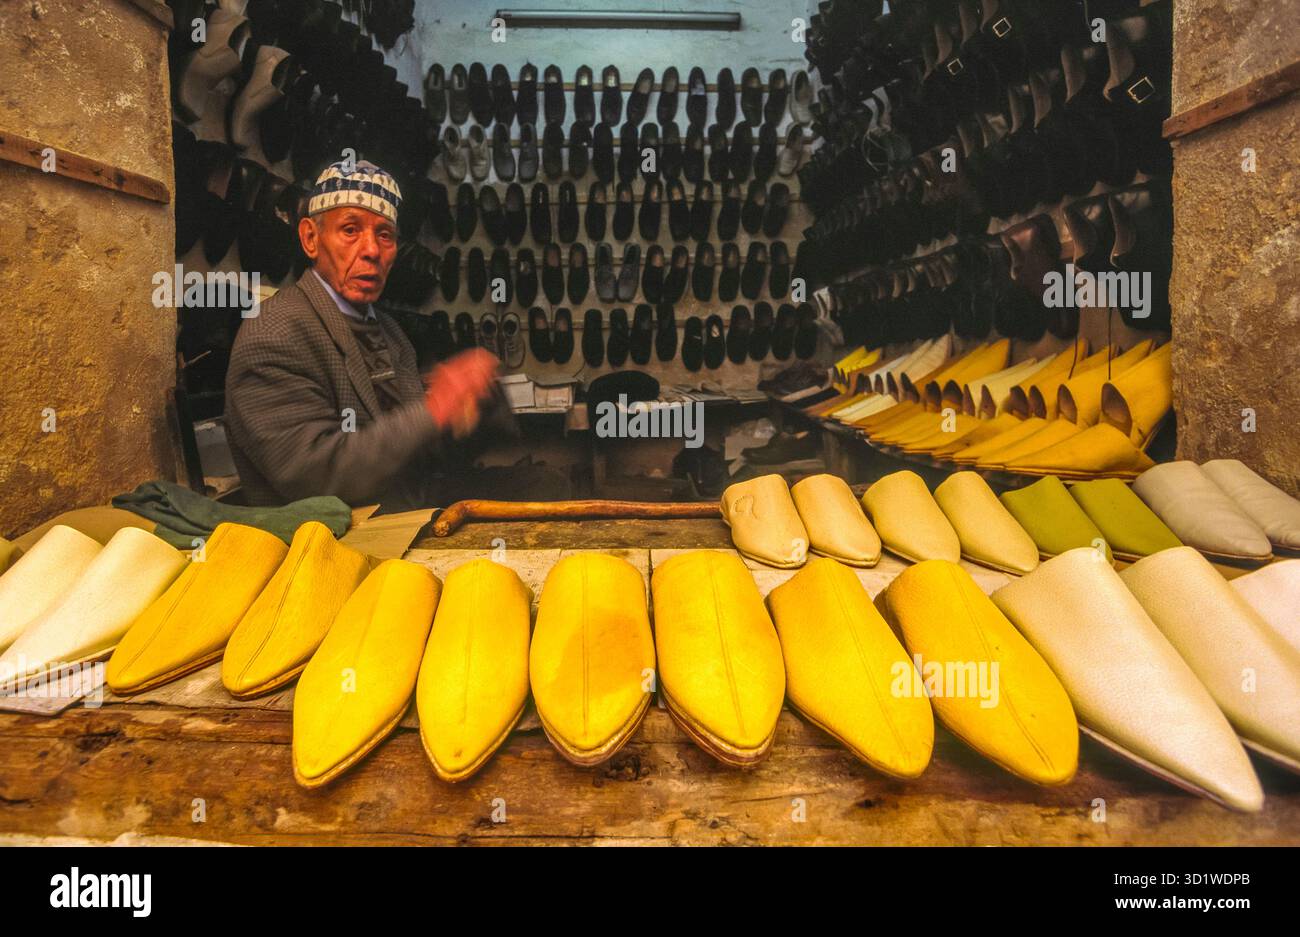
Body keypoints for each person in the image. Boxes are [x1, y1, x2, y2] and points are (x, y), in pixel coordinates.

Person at [224, 159, 501, 509]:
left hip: (407, 507)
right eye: (350, 230)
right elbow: (318, 477)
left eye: (385, 235)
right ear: (311, 238)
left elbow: (416, 453)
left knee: (545, 484)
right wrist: (436, 406)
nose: (371, 250)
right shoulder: (275, 333)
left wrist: (472, 410)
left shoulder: (389, 331)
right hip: (336, 537)